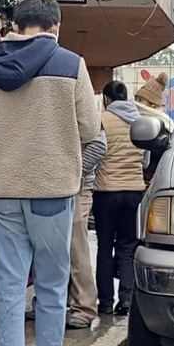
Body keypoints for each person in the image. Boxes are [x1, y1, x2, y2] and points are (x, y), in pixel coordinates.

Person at [0, 0, 98, 346]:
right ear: (55, 27)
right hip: (51, 188)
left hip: (0, 189)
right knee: (53, 283)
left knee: (8, 284)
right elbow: (90, 127)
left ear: (16, 26)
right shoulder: (71, 63)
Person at [94, 81, 147, 316]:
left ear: (107, 98)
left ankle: (105, 301)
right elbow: (145, 162)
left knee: (105, 247)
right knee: (127, 247)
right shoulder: (140, 122)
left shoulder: (102, 119)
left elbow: (95, 153)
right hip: (134, 192)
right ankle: (126, 299)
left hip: (106, 192)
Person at [68, 121, 106, 330]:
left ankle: (84, 306)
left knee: (77, 249)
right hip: (64, 185)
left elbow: (100, 145)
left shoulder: (78, 99)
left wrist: (73, 171)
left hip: (76, 188)